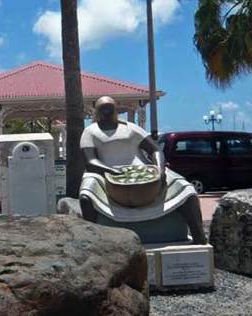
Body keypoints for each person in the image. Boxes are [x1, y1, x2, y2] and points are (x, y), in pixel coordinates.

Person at [79, 96, 207, 244]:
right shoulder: (90, 132)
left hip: (144, 170)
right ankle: (93, 242)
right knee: (86, 196)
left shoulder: (130, 128)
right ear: (96, 112)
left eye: (110, 109)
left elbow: (155, 149)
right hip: (105, 174)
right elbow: (90, 161)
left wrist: (160, 170)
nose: (107, 113)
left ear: (116, 110)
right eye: (103, 109)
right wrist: (113, 172)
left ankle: (199, 236)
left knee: (186, 189)